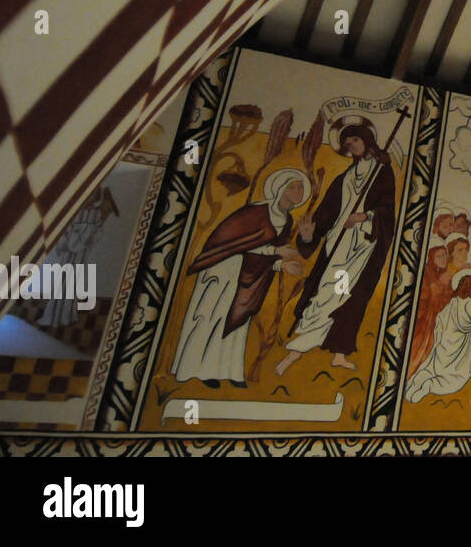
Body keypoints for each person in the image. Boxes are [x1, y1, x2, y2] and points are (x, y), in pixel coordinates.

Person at [276, 122, 396, 376]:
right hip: (338, 245)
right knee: (325, 295)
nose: (351, 146)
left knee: (351, 298)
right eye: (347, 143)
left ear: (366, 140)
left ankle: (339, 354)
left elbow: (388, 211)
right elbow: (326, 214)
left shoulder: (382, 173)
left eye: (354, 140)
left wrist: (365, 216)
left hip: (363, 247)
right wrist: (309, 236)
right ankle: (296, 351)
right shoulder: (345, 178)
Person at [172, 169, 308, 388]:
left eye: (301, 187)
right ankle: (196, 369)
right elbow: (235, 245)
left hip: (248, 276)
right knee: (211, 317)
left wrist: (281, 263)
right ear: (280, 188)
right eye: (293, 186)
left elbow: (264, 256)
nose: (298, 191)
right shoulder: (256, 212)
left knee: (239, 321)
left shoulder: (287, 219)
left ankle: (229, 371)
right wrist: (278, 255)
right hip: (224, 269)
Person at [404, 269, 471, 401]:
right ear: (467, 286)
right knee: (457, 375)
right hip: (458, 347)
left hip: (446, 342)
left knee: (433, 368)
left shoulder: (454, 301)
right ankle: (430, 385)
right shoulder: (469, 304)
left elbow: (441, 318)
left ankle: (419, 380)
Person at [407, 244, 451, 377]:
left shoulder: (444, 276)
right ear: (431, 258)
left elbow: (442, 305)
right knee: (415, 350)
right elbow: (421, 300)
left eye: (445, 256)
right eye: (439, 256)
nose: (443, 259)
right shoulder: (425, 274)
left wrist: (444, 286)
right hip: (420, 323)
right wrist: (439, 286)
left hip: (431, 324)